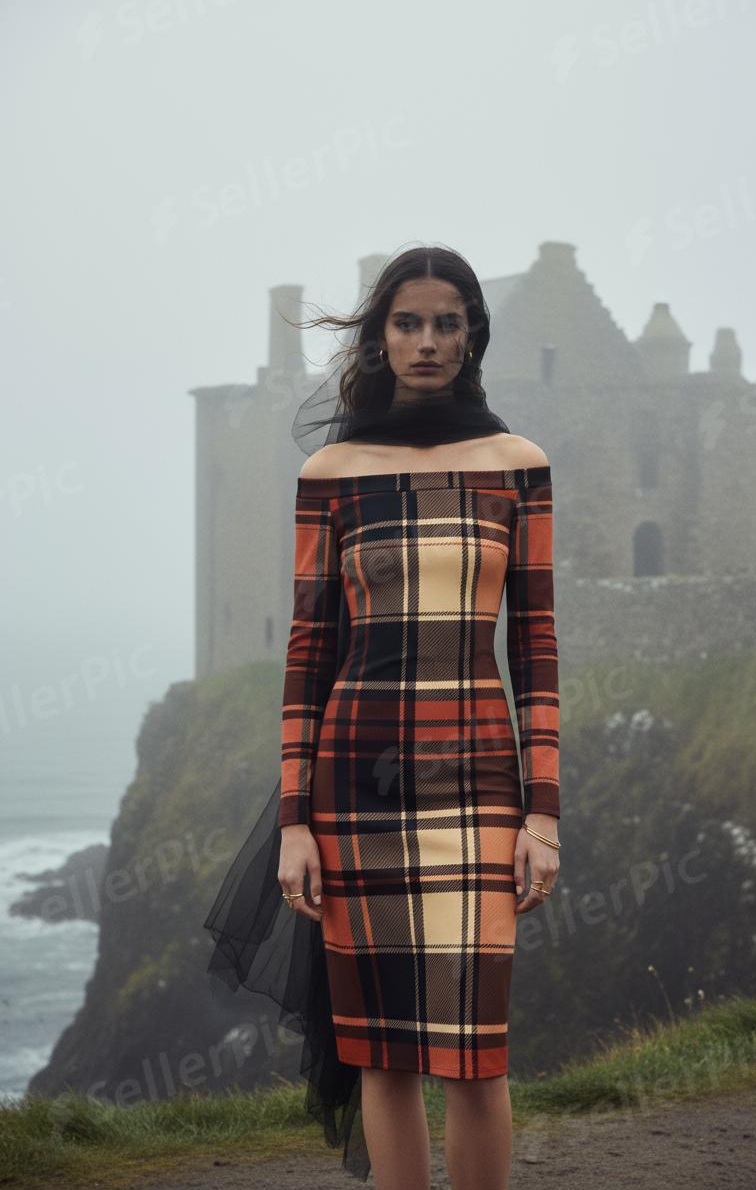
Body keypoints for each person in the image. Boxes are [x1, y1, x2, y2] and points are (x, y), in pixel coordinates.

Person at [204, 244, 560, 1190]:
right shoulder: (331, 472)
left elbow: (536, 650)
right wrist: (292, 825)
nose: (429, 341)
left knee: (477, 1055)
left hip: (482, 788)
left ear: (473, 333)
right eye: (408, 322)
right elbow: (307, 656)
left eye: (448, 322)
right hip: (355, 786)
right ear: (381, 335)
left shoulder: (520, 466)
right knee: (385, 1056)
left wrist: (544, 813)